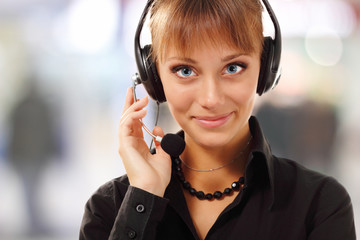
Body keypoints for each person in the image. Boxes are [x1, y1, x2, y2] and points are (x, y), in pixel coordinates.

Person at [79, 0, 356, 239]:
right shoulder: (108, 209)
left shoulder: (319, 205)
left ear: (265, 69)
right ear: (155, 79)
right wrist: (144, 196)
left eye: (233, 68)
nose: (211, 99)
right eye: (185, 70)